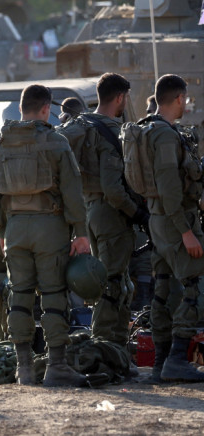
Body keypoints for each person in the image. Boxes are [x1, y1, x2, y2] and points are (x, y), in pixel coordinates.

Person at [0, 84, 90, 387]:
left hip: (15, 229)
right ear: (46, 109)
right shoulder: (56, 142)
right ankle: (56, 366)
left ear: (20, 108)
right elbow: (72, 191)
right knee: (54, 295)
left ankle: (24, 368)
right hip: (50, 228)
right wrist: (80, 232)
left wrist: (1, 230)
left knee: (19, 296)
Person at [72, 74, 144, 350]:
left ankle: (115, 347)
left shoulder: (84, 125)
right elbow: (114, 189)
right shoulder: (113, 131)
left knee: (113, 281)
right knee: (112, 284)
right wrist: (138, 213)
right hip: (111, 214)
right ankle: (105, 348)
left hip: (90, 209)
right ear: (120, 98)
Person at [141, 74, 204, 382]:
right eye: (185, 99)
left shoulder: (149, 130)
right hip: (175, 221)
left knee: (163, 291)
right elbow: (168, 187)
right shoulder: (165, 136)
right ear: (178, 98)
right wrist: (186, 231)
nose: (186, 105)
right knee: (194, 287)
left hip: (159, 221)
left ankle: (161, 364)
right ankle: (177, 358)